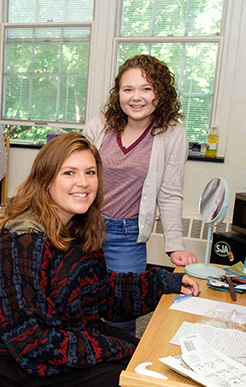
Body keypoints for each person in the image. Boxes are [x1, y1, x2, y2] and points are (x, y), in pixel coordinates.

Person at [0, 132, 199, 387]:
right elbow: (32, 341)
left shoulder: (76, 226)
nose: (83, 182)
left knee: (155, 361)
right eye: (69, 173)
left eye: (90, 172)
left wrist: (166, 282)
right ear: (46, 179)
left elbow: (103, 292)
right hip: (24, 362)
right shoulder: (21, 243)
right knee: (138, 386)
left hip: (68, 336)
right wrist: (114, 349)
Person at [83, 55, 197, 335]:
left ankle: (117, 375)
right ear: (118, 92)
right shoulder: (100, 124)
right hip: (84, 229)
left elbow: (170, 193)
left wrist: (175, 245)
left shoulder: (172, 133)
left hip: (127, 237)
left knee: (121, 317)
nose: (137, 97)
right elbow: (73, 173)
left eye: (147, 88)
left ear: (161, 92)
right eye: (128, 89)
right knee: (77, 306)